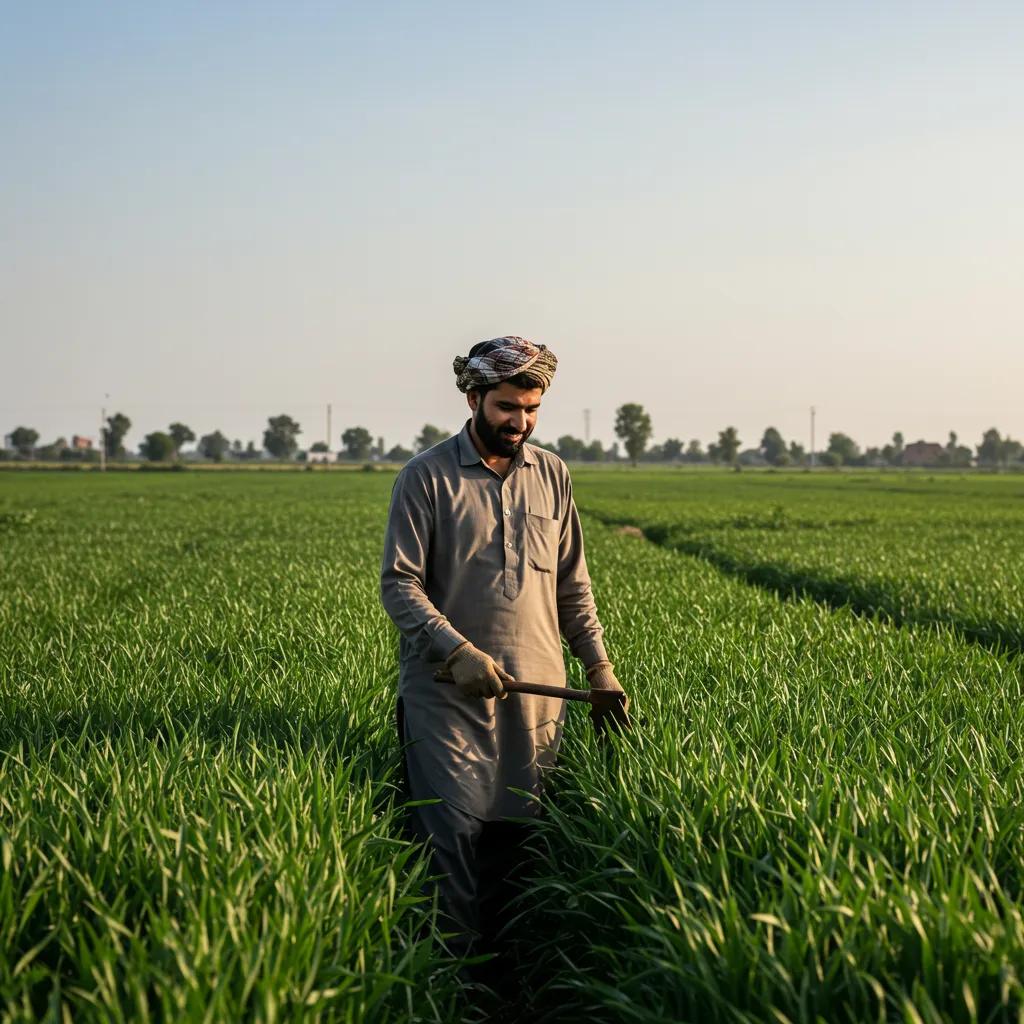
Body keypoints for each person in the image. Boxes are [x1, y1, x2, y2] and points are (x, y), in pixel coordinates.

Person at [379, 335, 629, 978]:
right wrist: (456, 650)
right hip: (446, 693)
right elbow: (399, 584)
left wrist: (600, 669)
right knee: (453, 837)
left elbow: (573, 585)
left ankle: (518, 979)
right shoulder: (425, 477)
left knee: (521, 839)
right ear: (473, 398)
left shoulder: (553, 474)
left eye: (532, 408)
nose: (520, 422)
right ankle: (454, 984)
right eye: (507, 407)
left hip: (541, 694)